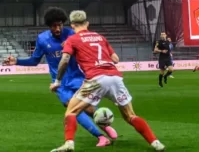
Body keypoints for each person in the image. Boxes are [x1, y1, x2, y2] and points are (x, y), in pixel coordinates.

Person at [51, 10, 164, 152]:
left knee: (71, 112)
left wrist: (57, 81)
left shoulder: (72, 40)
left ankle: (69, 144)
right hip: (115, 77)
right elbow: (116, 59)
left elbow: (65, 60)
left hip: (95, 78)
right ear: (87, 23)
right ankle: (156, 143)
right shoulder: (100, 37)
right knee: (130, 116)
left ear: (72, 25)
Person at [4, 7, 116, 147]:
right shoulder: (42, 39)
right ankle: (101, 137)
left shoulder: (72, 35)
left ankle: (105, 125)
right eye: (53, 26)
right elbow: (35, 60)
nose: (57, 28)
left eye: (60, 25)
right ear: (49, 26)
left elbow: (88, 52)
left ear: (64, 23)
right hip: (60, 83)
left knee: (87, 108)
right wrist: (17, 61)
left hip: (77, 78)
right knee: (72, 108)